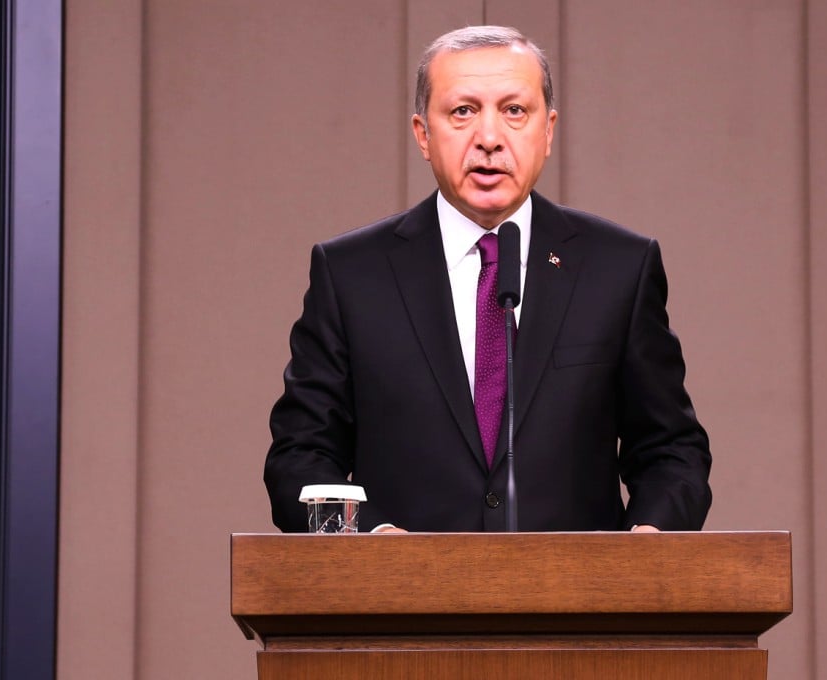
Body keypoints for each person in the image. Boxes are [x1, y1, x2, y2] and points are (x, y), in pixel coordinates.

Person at [265, 26, 711, 533]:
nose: (490, 138)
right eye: (462, 111)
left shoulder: (618, 267)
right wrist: (366, 539)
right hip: (402, 602)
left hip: (577, 604)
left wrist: (647, 543)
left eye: (515, 111)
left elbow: (672, 451)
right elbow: (300, 457)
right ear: (422, 134)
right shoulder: (352, 274)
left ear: (548, 130)